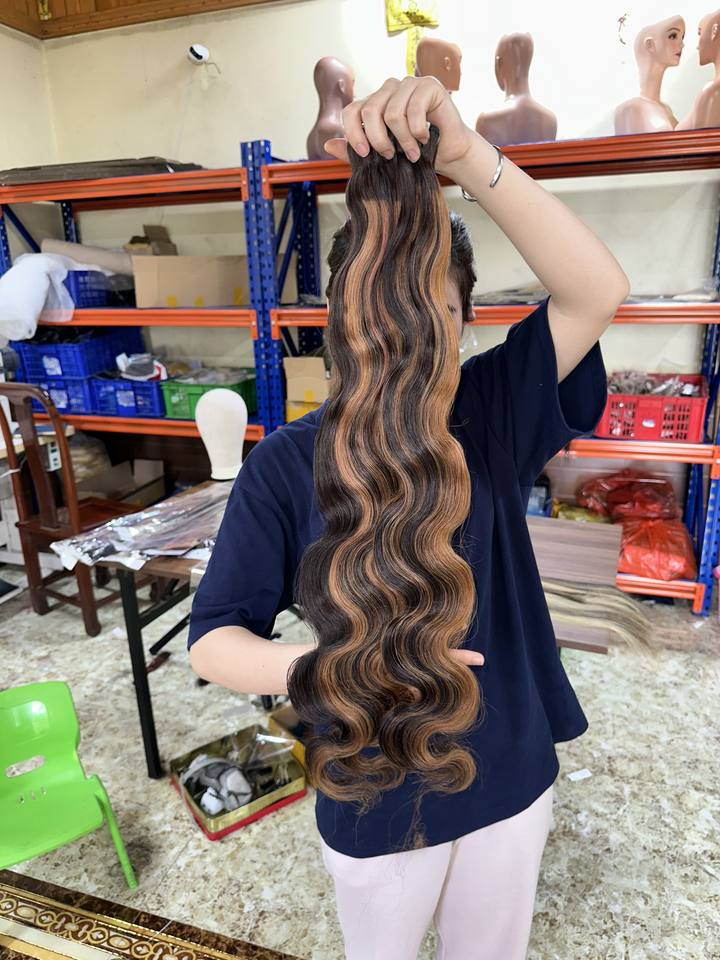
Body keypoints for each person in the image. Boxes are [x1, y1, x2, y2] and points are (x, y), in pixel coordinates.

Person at [188, 76, 630, 960]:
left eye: (437, 314)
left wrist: (465, 156)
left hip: (507, 767)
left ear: (465, 323)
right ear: (339, 316)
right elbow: (213, 640)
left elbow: (595, 291)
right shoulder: (285, 466)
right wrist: (325, 668)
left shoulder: (490, 413)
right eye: (377, 312)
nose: (404, 338)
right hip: (370, 784)